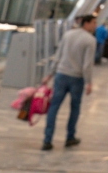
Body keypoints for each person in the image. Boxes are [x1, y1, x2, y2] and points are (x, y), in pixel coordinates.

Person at [42, 15, 97, 151]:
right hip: (76, 78)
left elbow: (58, 56)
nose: (95, 25)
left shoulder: (68, 35)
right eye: (93, 23)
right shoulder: (90, 40)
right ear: (86, 23)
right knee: (75, 108)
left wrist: (49, 74)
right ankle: (70, 137)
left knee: (54, 107)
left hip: (61, 75)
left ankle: (47, 140)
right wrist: (88, 82)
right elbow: (87, 64)